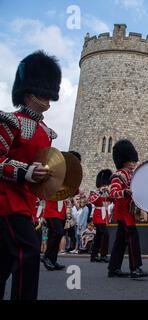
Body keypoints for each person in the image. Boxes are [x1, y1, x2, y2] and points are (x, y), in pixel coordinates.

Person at [0, 51, 61, 299]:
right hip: (5, 201)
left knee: (5, 260)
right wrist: (24, 171)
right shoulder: (9, 121)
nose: (48, 98)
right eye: (43, 91)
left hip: (25, 203)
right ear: (28, 91)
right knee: (28, 252)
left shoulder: (47, 132)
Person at [107, 139, 148, 279]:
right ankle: (135, 268)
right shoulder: (118, 175)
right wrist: (124, 192)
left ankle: (113, 268)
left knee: (120, 241)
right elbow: (112, 193)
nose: (133, 163)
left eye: (133, 160)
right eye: (130, 160)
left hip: (128, 212)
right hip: (123, 213)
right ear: (123, 160)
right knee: (132, 238)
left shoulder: (132, 175)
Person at [89, 169, 113, 263]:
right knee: (105, 234)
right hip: (98, 215)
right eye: (104, 184)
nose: (105, 186)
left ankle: (94, 256)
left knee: (99, 236)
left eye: (106, 184)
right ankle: (103, 255)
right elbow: (92, 200)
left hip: (105, 216)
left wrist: (110, 191)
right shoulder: (95, 192)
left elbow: (113, 200)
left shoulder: (107, 192)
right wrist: (99, 192)